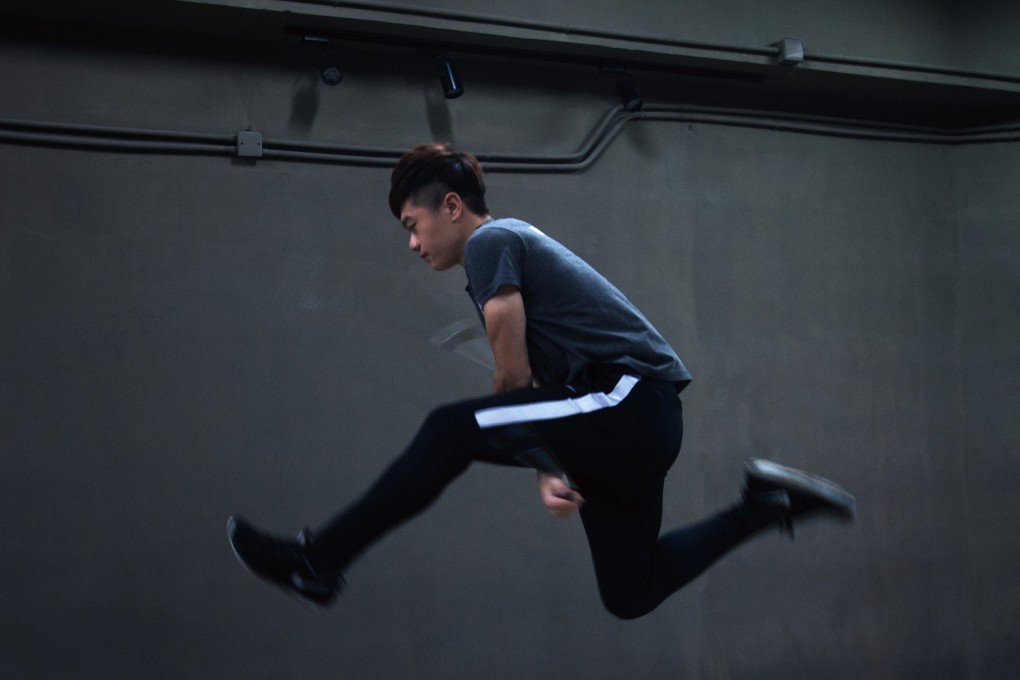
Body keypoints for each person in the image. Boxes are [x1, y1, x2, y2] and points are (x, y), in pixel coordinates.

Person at [227, 144, 856, 620]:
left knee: (449, 429)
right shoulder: (508, 251)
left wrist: (535, 453)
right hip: (631, 423)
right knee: (629, 593)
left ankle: (319, 560)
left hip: (629, 399)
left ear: (452, 206)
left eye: (413, 225)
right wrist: (547, 467)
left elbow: (516, 381)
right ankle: (765, 508)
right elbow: (544, 398)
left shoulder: (491, 241)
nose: (413, 244)